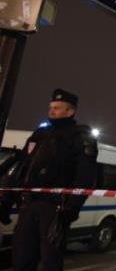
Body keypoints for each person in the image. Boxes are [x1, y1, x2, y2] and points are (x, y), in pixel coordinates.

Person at [0, 89, 98, 271]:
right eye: (50, 107)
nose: (51, 111)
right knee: (21, 258)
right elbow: (22, 168)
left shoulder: (80, 137)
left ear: (70, 111)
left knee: (51, 260)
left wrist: (70, 208)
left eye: (57, 108)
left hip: (55, 208)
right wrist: (6, 200)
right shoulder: (40, 134)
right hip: (28, 205)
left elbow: (85, 177)